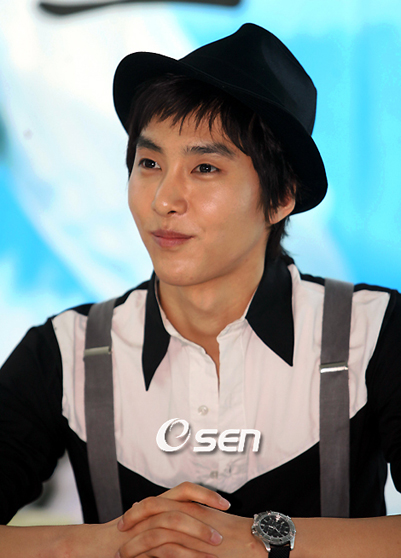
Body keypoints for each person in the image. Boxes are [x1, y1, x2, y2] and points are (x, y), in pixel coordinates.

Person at [0, 22, 401, 558]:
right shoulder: (66, 350)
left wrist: (265, 540)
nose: (164, 199)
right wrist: (113, 541)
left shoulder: (373, 331)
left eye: (205, 167)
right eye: (149, 164)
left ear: (281, 196)